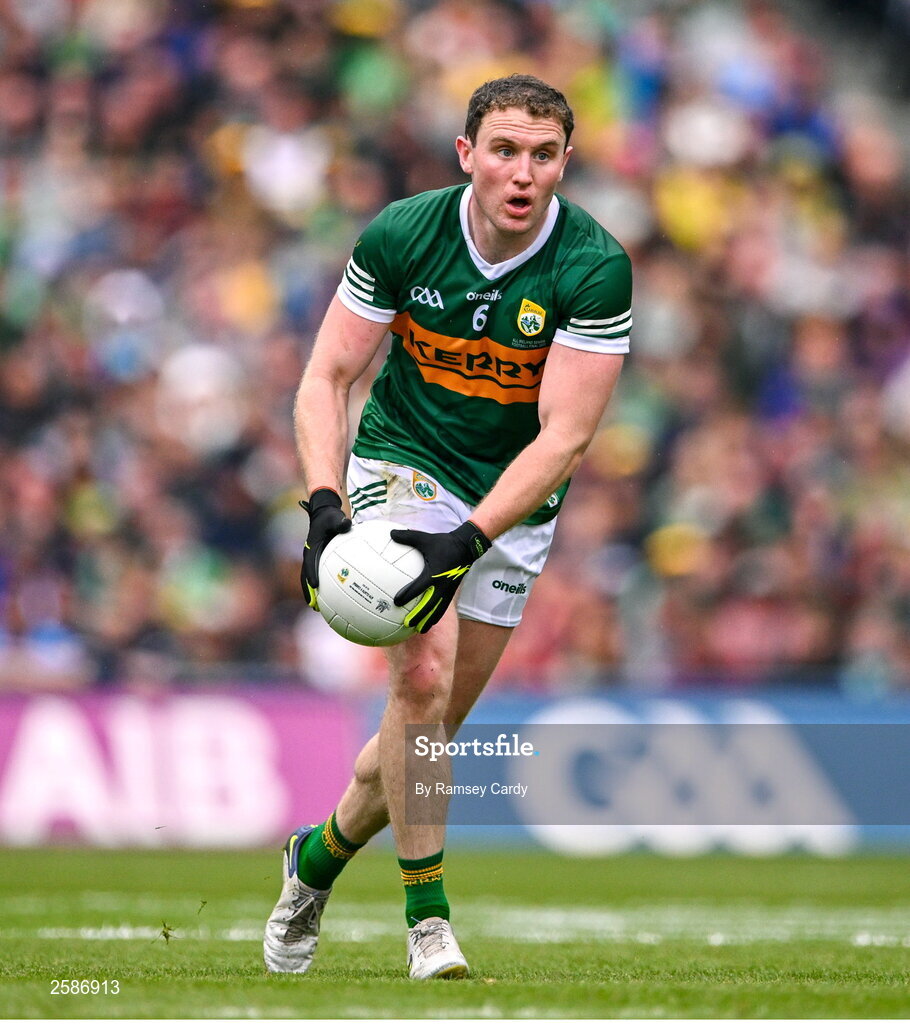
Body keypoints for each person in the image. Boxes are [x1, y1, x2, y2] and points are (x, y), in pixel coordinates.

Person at [263, 74, 631, 980]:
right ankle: (428, 920)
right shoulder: (402, 233)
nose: (522, 172)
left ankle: (312, 861)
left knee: (423, 731)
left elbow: (568, 436)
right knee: (419, 670)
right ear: (466, 154)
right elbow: (327, 376)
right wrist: (321, 504)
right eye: (504, 150)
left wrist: (468, 541)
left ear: (564, 164)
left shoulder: (594, 266)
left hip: (511, 500)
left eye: (543, 155)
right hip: (403, 461)